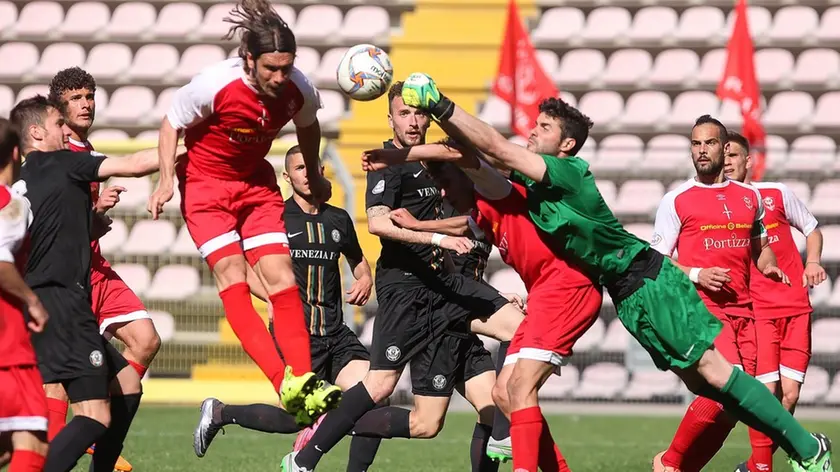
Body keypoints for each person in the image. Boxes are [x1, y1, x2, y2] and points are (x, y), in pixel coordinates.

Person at [393, 72, 833, 472]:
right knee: (712, 388)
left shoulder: (567, 172)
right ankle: (790, 447)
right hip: (627, 293)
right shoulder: (534, 185)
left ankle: (808, 450)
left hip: (647, 279)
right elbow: (480, 157)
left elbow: (494, 148)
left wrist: (439, 104)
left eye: (544, 128)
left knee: (718, 376)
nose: (532, 131)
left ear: (566, 145)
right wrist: (405, 152)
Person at [280, 82, 524, 472]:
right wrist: (434, 235)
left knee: (520, 335)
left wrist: (435, 229)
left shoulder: (440, 164)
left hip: (446, 286)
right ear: (390, 118)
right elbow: (378, 225)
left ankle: (502, 431)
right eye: (404, 114)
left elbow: (468, 198)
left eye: (419, 113)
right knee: (382, 387)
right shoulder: (389, 166)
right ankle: (305, 458)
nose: (413, 121)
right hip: (406, 289)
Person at [363, 114, 606, 470]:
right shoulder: (496, 200)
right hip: (471, 300)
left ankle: (334, 426)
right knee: (488, 403)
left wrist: (410, 147)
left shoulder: (538, 178)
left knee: (506, 396)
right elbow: (469, 221)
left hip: (558, 293)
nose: (532, 132)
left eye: (544, 127)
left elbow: (481, 153)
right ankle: (335, 425)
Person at [146, 0, 338, 421]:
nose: (279, 76)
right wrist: (164, 180)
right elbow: (170, 124)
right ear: (248, 59)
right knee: (232, 276)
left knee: (282, 278)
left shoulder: (297, 89)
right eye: (271, 68)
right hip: (206, 190)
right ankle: (282, 382)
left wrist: (316, 173)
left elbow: (308, 124)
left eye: (286, 67)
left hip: (255, 186)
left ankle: (304, 380)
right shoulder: (214, 85)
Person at [192, 146, 383, 472]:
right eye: (299, 168)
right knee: (296, 419)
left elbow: (359, 261)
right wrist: (272, 297)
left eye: (312, 166)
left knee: (373, 396)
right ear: (287, 176)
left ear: (323, 171)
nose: (307, 174)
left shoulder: (338, 218)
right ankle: (220, 413)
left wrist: (365, 279)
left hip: (336, 333)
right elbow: (240, 269)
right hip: (295, 334)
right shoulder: (273, 219)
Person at [657, 131, 829, 472]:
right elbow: (657, 257)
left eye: (715, 146)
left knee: (742, 402)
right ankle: (674, 462)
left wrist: (775, 264)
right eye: (696, 144)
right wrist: (696, 274)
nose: (704, 151)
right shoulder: (678, 198)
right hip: (713, 311)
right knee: (735, 385)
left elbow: (764, 244)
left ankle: (715, 466)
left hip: (757, 312)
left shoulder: (755, 197)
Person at [10, 95, 158, 472]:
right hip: (63, 302)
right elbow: (137, 164)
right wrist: (198, 142)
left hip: (43, 302)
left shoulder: (23, 180)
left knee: (127, 384)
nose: (66, 129)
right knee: (94, 417)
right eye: (59, 123)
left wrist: (90, 224)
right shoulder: (63, 162)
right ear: (37, 132)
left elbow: (49, 233)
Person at [0, 117, 50, 472]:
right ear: (17, 153)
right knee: (32, 442)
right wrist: (32, 300)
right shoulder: (12, 205)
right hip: (6, 342)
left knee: (5, 448)